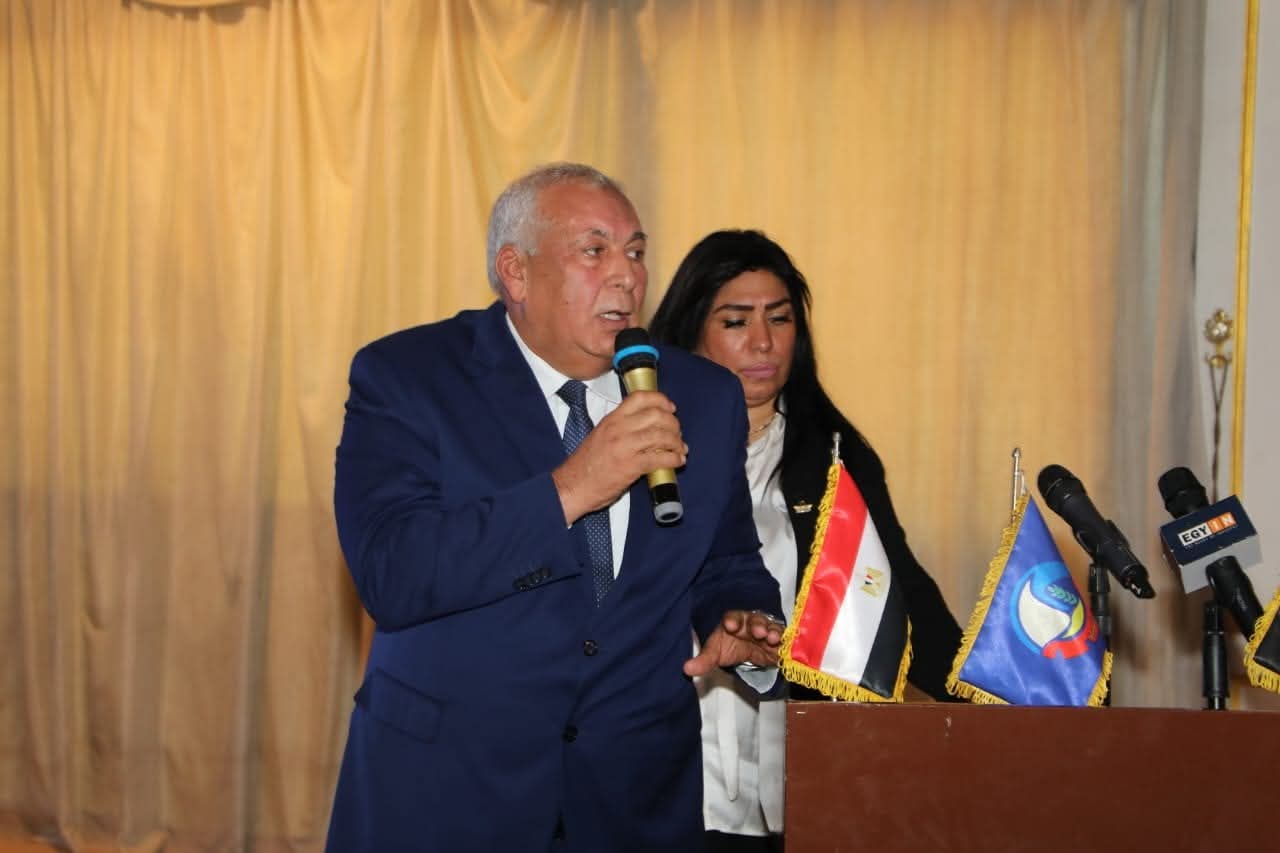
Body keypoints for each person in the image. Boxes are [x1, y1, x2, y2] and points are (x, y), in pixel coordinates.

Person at [325, 165, 788, 852]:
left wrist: (738, 614)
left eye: (636, 251)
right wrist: (572, 487)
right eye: (595, 250)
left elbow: (726, 558)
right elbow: (393, 573)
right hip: (447, 795)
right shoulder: (409, 377)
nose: (628, 275)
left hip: (633, 801)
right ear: (516, 273)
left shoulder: (703, 395)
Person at [649, 229, 964, 853]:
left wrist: (1010, 708)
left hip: (794, 779)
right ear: (689, 332)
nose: (763, 342)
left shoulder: (834, 459)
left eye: (780, 318)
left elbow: (901, 597)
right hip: (662, 769)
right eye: (736, 321)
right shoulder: (644, 447)